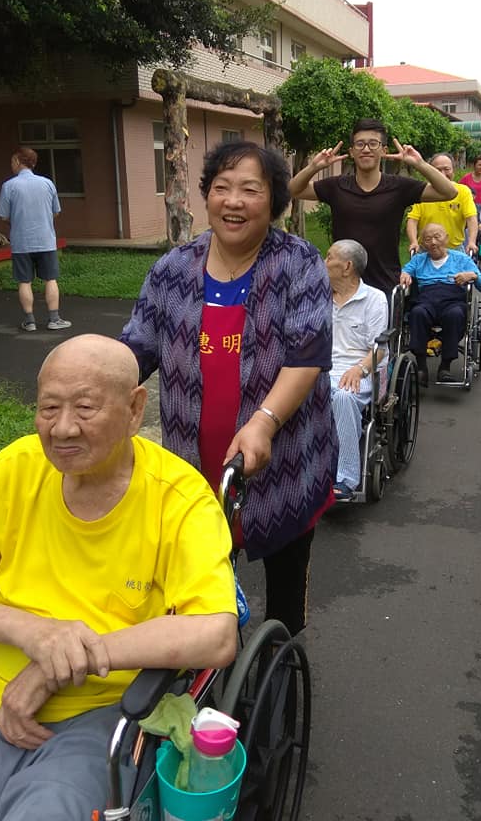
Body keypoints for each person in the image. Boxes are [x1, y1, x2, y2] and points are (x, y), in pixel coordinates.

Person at [0, 334, 237, 821]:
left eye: (85, 407)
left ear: (135, 408)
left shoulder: (179, 500)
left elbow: (215, 632)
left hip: (98, 714)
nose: (62, 429)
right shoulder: (16, 468)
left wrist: (56, 665)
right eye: (48, 408)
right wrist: (32, 632)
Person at [121, 140, 337, 636]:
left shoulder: (299, 263)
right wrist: (91, 391)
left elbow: (306, 357)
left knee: (284, 591)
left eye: (249, 190)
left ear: (275, 199)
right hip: (193, 467)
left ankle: (281, 666)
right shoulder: (174, 269)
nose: (233, 201)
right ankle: (210, 679)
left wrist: (263, 421)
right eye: (221, 188)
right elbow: (136, 348)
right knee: (203, 592)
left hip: (283, 461)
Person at [287, 119, 457, 296]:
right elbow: (293, 190)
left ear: (384, 150)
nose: (366, 149)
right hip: (341, 284)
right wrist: (314, 167)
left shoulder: (399, 187)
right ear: (352, 152)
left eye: (373, 144)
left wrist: (419, 163)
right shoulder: (336, 186)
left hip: (384, 283)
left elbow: (449, 192)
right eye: (360, 144)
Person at [325, 239, 388, 501]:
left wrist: (359, 369)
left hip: (361, 369)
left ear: (347, 266)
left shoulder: (374, 299)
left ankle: (346, 477)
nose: (323, 262)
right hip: (321, 367)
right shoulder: (318, 295)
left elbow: (380, 349)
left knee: (343, 396)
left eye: (329, 257)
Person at [400, 223, 481, 386]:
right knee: (417, 313)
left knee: (454, 315)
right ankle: (421, 368)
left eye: (437, 237)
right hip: (426, 300)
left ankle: (445, 367)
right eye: (428, 239)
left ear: (446, 238)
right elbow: (405, 271)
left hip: (453, 300)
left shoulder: (461, 259)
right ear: (423, 244)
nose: (433, 242)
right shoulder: (419, 260)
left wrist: (473, 276)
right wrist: (405, 274)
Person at [0, 147, 71, 332]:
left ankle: (29, 321)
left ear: (18, 162)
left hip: (21, 242)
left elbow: (4, 216)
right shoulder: (47, 183)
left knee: (24, 281)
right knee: (50, 279)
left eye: (13, 161)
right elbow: (56, 212)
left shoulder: (9, 186)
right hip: (46, 240)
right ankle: (54, 318)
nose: (11, 165)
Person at [406, 152, 478, 255]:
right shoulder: (422, 192)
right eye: (437, 170)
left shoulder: (463, 191)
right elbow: (412, 220)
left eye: (447, 169)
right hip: (426, 250)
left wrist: (471, 242)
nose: (442, 174)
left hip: (454, 250)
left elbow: (471, 218)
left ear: (453, 170)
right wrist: (413, 242)